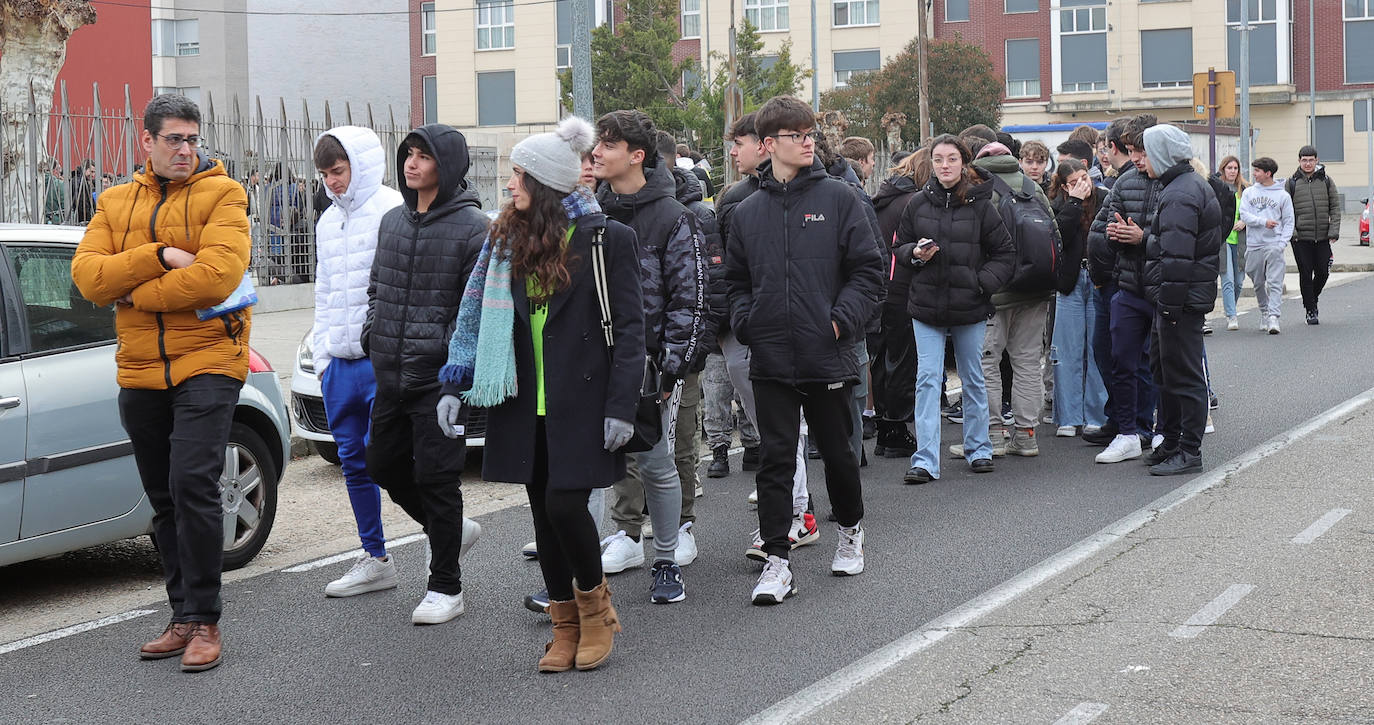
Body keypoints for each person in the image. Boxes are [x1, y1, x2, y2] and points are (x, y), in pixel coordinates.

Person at [439, 117, 639, 672]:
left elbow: (630, 330)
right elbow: (475, 313)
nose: (510, 186)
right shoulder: (505, 243)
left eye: (521, 177)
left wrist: (622, 404)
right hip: (524, 406)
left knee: (563, 504)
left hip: (585, 404)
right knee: (541, 516)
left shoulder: (606, 240)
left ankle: (597, 611)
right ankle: (564, 624)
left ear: (547, 185)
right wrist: (458, 380)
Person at [71, 93, 251, 672]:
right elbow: (89, 279)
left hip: (210, 363)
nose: (186, 149)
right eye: (174, 139)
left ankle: (205, 621)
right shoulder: (114, 201)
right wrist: (160, 253)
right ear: (146, 141)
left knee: (193, 481)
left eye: (193, 139)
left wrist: (135, 296)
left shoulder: (224, 193)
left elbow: (217, 277)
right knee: (164, 496)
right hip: (141, 371)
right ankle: (181, 616)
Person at [725, 95, 883, 604]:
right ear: (770, 144)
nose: (809, 140)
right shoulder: (746, 211)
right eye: (796, 134)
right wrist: (748, 322)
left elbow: (869, 270)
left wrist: (839, 323)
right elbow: (735, 282)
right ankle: (777, 560)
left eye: (811, 131)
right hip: (770, 356)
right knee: (775, 459)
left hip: (826, 353)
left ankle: (851, 532)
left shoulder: (841, 198)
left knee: (837, 453)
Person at [364, 124, 487, 625]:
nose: (412, 164)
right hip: (390, 374)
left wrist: (454, 371)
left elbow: (472, 309)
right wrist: (374, 333)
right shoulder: (392, 221)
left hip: (439, 381)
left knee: (438, 480)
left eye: (424, 156)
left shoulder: (473, 227)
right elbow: (377, 289)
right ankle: (451, 530)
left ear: (448, 165)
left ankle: (446, 587)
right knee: (383, 466)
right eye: (409, 155)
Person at [593, 110, 708, 603]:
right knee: (589, 467)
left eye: (608, 145)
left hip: (648, 365)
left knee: (656, 461)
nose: (596, 152)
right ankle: (588, 571)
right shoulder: (589, 212)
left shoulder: (672, 216)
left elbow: (691, 297)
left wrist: (672, 366)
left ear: (636, 156)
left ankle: (666, 560)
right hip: (591, 361)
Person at [310, 127, 405, 598]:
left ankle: (443, 527)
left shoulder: (392, 209)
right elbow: (324, 291)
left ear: (361, 164)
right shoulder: (327, 222)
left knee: (391, 459)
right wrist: (323, 357)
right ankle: (375, 556)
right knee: (352, 462)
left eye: (339, 171)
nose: (332, 182)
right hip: (340, 365)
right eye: (325, 174)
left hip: (381, 361)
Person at [716, 113, 816, 543]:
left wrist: (834, 322)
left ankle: (799, 513)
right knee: (772, 427)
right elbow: (731, 271)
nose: (733, 152)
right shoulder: (736, 198)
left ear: (764, 145)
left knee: (785, 426)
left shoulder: (818, 194)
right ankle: (791, 509)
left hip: (794, 333)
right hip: (746, 330)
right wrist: (739, 320)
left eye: (739, 143)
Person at [894, 133, 1016, 483]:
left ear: (964, 162)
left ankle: (979, 449)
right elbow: (898, 247)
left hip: (970, 305)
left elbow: (1005, 253)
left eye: (951, 159)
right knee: (928, 379)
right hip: (926, 305)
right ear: (930, 164)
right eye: (938, 160)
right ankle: (925, 459)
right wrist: (914, 255)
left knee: (973, 378)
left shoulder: (981, 205)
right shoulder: (917, 204)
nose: (944, 166)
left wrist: (982, 283)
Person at [1139, 124, 1221, 475]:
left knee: (1184, 377)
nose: (1142, 160)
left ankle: (1188, 451)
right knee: (1167, 373)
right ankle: (1171, 442)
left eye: (1146, 152)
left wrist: (1169, 308)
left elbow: (1177, 259)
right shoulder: (1182, 186)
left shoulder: (1180, 193)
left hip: (1179, 303)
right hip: (1177, 300)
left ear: (1161, 155)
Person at [657, 129, 721, 563]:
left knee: (681, 438)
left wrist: (694, 346)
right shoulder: (612, 208)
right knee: (628, 446)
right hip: (632, 349)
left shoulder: (694, 213)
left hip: (682, 349)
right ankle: (627, 526)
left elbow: (708, 286)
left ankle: (682, 524)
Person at [969, 141, 1056, 457]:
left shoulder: (979, 187)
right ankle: (1026, 435)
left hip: (995, 292)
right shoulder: (1033, 187)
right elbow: (1054, 235)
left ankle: (992, 434)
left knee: (987, 363)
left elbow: (971, 241)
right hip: (1035, 289)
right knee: (1028, 362)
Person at [1087, 114, 1161, 464]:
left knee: (1163, 364)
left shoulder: (1181, 184)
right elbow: (1104, 228)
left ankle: (1161, 430)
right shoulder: (1125, 183)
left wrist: (1142, 238)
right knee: (1122, 360)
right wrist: (1116, 241)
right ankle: (1127, 430)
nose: (1135, 158)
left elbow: (1190, 239)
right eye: (1131, 150)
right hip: (1126, 285)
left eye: (1140, 151)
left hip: (1164, 289)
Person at [869, 149, 929, 459]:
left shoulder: (885, 197)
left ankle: (885, 427)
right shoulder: (914, 202)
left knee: (882, 358)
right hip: (902, 286)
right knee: (902, 360)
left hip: (880, 286)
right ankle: (895, 429)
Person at [1047, 160, 1108, 437]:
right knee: (1066, 350)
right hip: (1069, 282)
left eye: (1085, 178)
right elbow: (1058, 235)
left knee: (1097, 349)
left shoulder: (1105, 198)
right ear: (1063, 186)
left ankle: (1097, 415)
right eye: (1073, 182)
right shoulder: (1058, 204)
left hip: (1097, 279)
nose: (1083, 184)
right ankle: (1068, 417)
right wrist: (1073, 201)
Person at [1285, 145, 1341, 325]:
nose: (1307, 163)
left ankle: (1311, 299)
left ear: (1316, 160)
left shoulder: (1326, 180)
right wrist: (1292, 233)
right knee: (1305, 273)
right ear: (1299, 161)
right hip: (1301, 238)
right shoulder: (1291, 182)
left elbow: (1335, 207)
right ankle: (1310, 310)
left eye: (1311, 160)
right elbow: (1286, 211)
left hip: (1323, 236)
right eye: (1304, 160)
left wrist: (1334, 231)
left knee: (1323, 272)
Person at [1239, 157, 1294, 335]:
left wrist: (1282, 243)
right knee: (1257, 282)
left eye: (1257, 171)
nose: (1254, 174)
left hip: (1274, 244)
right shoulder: (1249, 193)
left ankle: (1273, 317)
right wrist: (1263, 222)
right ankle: (1264, 310)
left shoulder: (1282, 195)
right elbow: (1244, 215)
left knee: (1275, 282)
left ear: (1268, 173)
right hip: (1254, 244)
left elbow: (1288, 221)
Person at [1213, 155, 1249, 330]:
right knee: (1227, 278)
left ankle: (1231, 307)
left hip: (1241, 240)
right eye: (1229, 168)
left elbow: (1254, 211)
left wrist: (1245, 222)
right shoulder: (1217, 188)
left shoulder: (1246, 189)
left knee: (1239, 280)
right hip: (1223, 239)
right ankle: (1232, 316)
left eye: (1235, 168)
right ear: (1223, 169)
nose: (1233, 171)